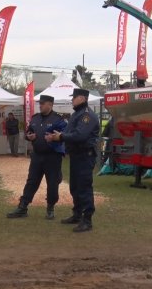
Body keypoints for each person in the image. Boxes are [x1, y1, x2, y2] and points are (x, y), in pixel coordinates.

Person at [46, 88, 100, 232]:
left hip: (85, 156)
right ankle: (77, 214)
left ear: (82, 98)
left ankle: (87, 220)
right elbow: (71, 133)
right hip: (76, 156)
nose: (72, 100)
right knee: (75, 187)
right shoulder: (77, 114)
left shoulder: (87, 116)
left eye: (74, 98)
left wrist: (61, 137)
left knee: (84, 187)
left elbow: (80, 135)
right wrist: (59, 135)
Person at [7, 95, 64, 220]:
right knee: (31, 182)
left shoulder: (58, 119)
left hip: (52, 157)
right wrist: (29, 136)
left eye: (43, 103)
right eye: (40, 103)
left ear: (50, 104)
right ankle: (23, 207)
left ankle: (50, 208)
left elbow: (64, 137)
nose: (41, 105)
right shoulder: (35, 118)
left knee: (52, 183)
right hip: (37, 156)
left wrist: (56, 138)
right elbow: (29, 132)